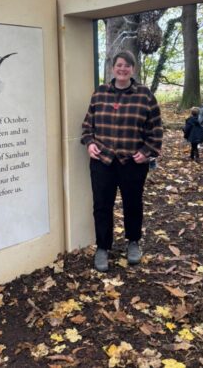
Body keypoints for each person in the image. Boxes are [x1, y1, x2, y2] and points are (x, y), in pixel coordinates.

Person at [81, 51, 163, 272]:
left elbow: (156, 129)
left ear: (133, 69)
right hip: (103, 161)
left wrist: (147, 152)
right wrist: (89, 143)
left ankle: (133, 242)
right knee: (102, 205)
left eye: (127, 66)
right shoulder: (100, 94)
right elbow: (87, 126)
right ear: (112, 68)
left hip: (133, 162)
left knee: (133, 203)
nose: (123, 69)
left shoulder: (145, 96)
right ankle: (103, 247)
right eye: (119, 65)